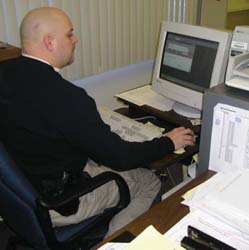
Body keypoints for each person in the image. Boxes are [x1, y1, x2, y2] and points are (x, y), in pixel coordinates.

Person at [0, 7, 195, 236]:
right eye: (69, 34)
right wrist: (168, 142)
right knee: (149, 180)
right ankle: (113, 243)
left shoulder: (6, 72)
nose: (76, 39)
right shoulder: (67, 97)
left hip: (23, 190)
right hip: (60, 204)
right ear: (50, 43)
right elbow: (121, 158)